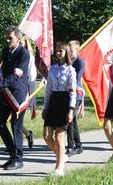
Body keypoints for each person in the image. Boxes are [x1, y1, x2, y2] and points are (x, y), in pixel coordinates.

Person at [0, 26, 30, 170]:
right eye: (7, 37)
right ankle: (12, 154)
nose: (7, 40)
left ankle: (18, 159)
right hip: (5, 93)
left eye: (10, 38)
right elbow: (5, 70)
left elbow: (15, 75)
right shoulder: (5, 51)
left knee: (16, 126)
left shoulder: (24, 54)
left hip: (17, 94)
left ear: (18, 38)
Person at [42, 42, 76, 176]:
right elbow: (48, 89)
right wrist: (45, 107)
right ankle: (61, 156)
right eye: (56, 51)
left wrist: (71, 110)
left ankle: (59, 169)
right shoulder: (53, 68)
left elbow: (73, 92)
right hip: (53, 102)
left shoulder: (70, 70)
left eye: (60, 51)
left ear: (66, 53)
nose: (57, 53)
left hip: (64, 102)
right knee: (46, 136)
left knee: (59, 138)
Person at [65, 40, 85, 157]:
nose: (69, 52)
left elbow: (76, 79)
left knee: (70, 119)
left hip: (76, 93)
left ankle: (71, 147)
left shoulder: (80, 62)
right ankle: (78, 145)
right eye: (68, 50)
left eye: (71, 50)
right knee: (73, 121)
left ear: (77, 51)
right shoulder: (67, 61)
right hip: (67, 93)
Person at [20, 35, 36, 148]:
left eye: (22, 43)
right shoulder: (12, 55)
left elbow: (31, 77)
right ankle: (27, 133)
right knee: (11, 119)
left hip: (23, 90)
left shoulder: (29, 57)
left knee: (15, 118)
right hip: (11, 89)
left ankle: (16, 145)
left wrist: (31, 95)